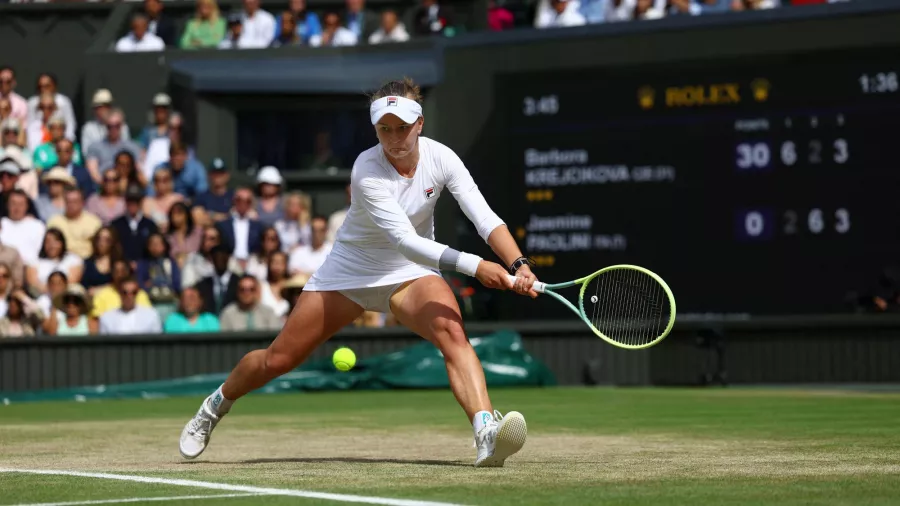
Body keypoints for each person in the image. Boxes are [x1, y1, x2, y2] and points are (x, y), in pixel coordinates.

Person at [179, 78, 536, 467]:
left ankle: (485, 431)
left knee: (452, 332)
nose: (395, 137)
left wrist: (519, 265)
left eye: (403, 127)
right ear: (375, 130)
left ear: (420, 125)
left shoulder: (442, 159)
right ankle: (216, 405)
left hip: (410, 274)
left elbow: (485, 218)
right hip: (349, 275)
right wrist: (475, 265)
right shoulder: (367, 169)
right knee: (277, 361)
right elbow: (403, 239)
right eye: (385, 129)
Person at [26, 228, 83, 292]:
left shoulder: (73, 260)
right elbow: (33, 284)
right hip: (41, 297)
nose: (52, 245)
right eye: (48, 241)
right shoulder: (34, 261)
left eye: (56, 241)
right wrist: (52, 290)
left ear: (62, 243)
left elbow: (72, 283)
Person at [194, 244, 240, 314]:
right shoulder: (203, 285)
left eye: (223, 256)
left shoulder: (239, 283)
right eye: (216, 256)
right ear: (211, 259)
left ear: (228, 257)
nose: (219, 259)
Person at [81, 226, 122, 293]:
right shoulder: (88, 263)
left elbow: (122, 284)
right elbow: (84, 286)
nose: (101, 243)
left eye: (107, 240)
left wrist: (101, 289)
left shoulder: (118, 262)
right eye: (99, 239)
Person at [167, 202, 203, 267]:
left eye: (179, 213)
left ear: (186, 214)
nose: (175, 217)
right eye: (173, 214)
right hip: (175, 267)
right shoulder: (168, 236)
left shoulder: (197, 232)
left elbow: (196, 250)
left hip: (196, 265)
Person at [259, 250, 290, 319]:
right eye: (274, 262)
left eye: (280, 263)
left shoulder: (292, 286)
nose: (277, 266)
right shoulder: (262, 286)